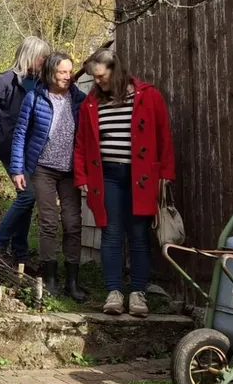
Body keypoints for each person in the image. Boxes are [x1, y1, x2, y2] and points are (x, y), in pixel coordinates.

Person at [73, 49, 175, 318]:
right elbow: (82, 143)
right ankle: (114, 292)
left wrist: (166, 172)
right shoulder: (91, 104)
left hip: (141, 177)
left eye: (101, 76)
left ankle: (138, 294)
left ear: (115, 70)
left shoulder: (148, 95)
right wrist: (82, 176)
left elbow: (163, 135)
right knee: (111, 233)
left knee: (139, 235)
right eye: (94, 78)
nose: (97, 82)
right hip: (106, 177)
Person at [8, 52, 87, 301]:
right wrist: (17, 169)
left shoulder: (80, 100)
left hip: (70, 171)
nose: (67, 76)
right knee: (48, 222)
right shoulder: (34, 97)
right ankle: (50, 279)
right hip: (43, 168)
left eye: (69, 71)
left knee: (73, 224)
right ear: (51, 73)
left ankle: (72, 283)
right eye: (62, 72)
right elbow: (20, 133)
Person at [0, 35, 50, 264]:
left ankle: (20, 254)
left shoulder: (40, 82)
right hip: (8, 146)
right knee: (27, 195)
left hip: (30, 148)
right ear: (30, 56)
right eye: (42, 57)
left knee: (24, 197)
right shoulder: (6, 80)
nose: (45, 61)